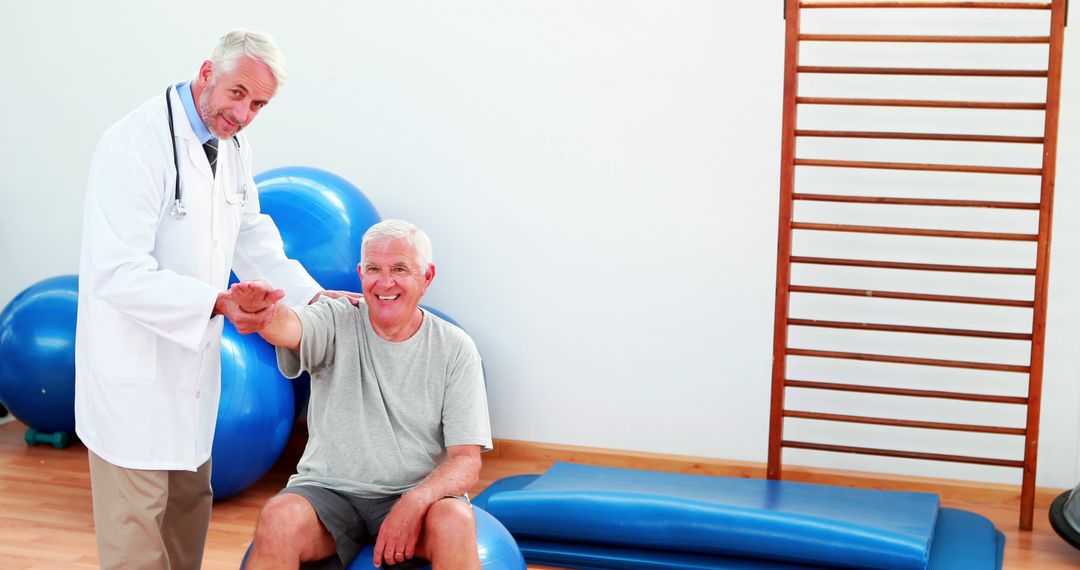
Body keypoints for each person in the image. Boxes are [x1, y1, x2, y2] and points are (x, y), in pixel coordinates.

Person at [75, 30, 355, 570]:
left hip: (191, 377)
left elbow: (250, 234)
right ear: (207, 73)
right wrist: (217, 302)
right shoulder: (133, 144)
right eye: (238, 94)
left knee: (188, 516)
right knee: (135, 539)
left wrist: (313, 295)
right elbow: (116, 271)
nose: (244, 113)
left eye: (259, 104)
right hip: (134, 377)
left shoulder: (233, 145)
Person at [236, 219, 491, 570]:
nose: (385, 282)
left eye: (400, 269)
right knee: (279, 517)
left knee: (455, 523)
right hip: (329, 491)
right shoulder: (335, 318)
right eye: (374, 269)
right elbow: (288, 327)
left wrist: (415, 501)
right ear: (360, 273)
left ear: (427, 277)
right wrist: (263, 314)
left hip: (413, 490)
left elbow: (466, 460)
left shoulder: (455, 348)